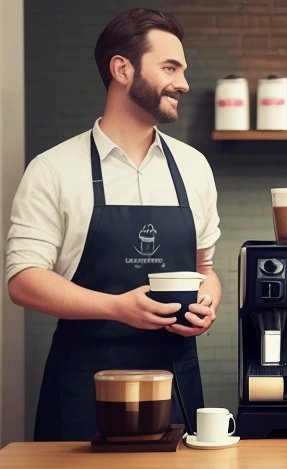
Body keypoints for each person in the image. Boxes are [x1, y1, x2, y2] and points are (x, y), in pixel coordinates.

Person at [5, 8, 221, 441]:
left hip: (175, 379)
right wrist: (116, 307)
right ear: (122, 68)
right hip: (85, 385)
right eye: (169, 67)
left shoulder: (194, 168)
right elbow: (23, 280)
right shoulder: (53, 169)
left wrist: (207, 304)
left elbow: (206, 268)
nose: (183, 82)